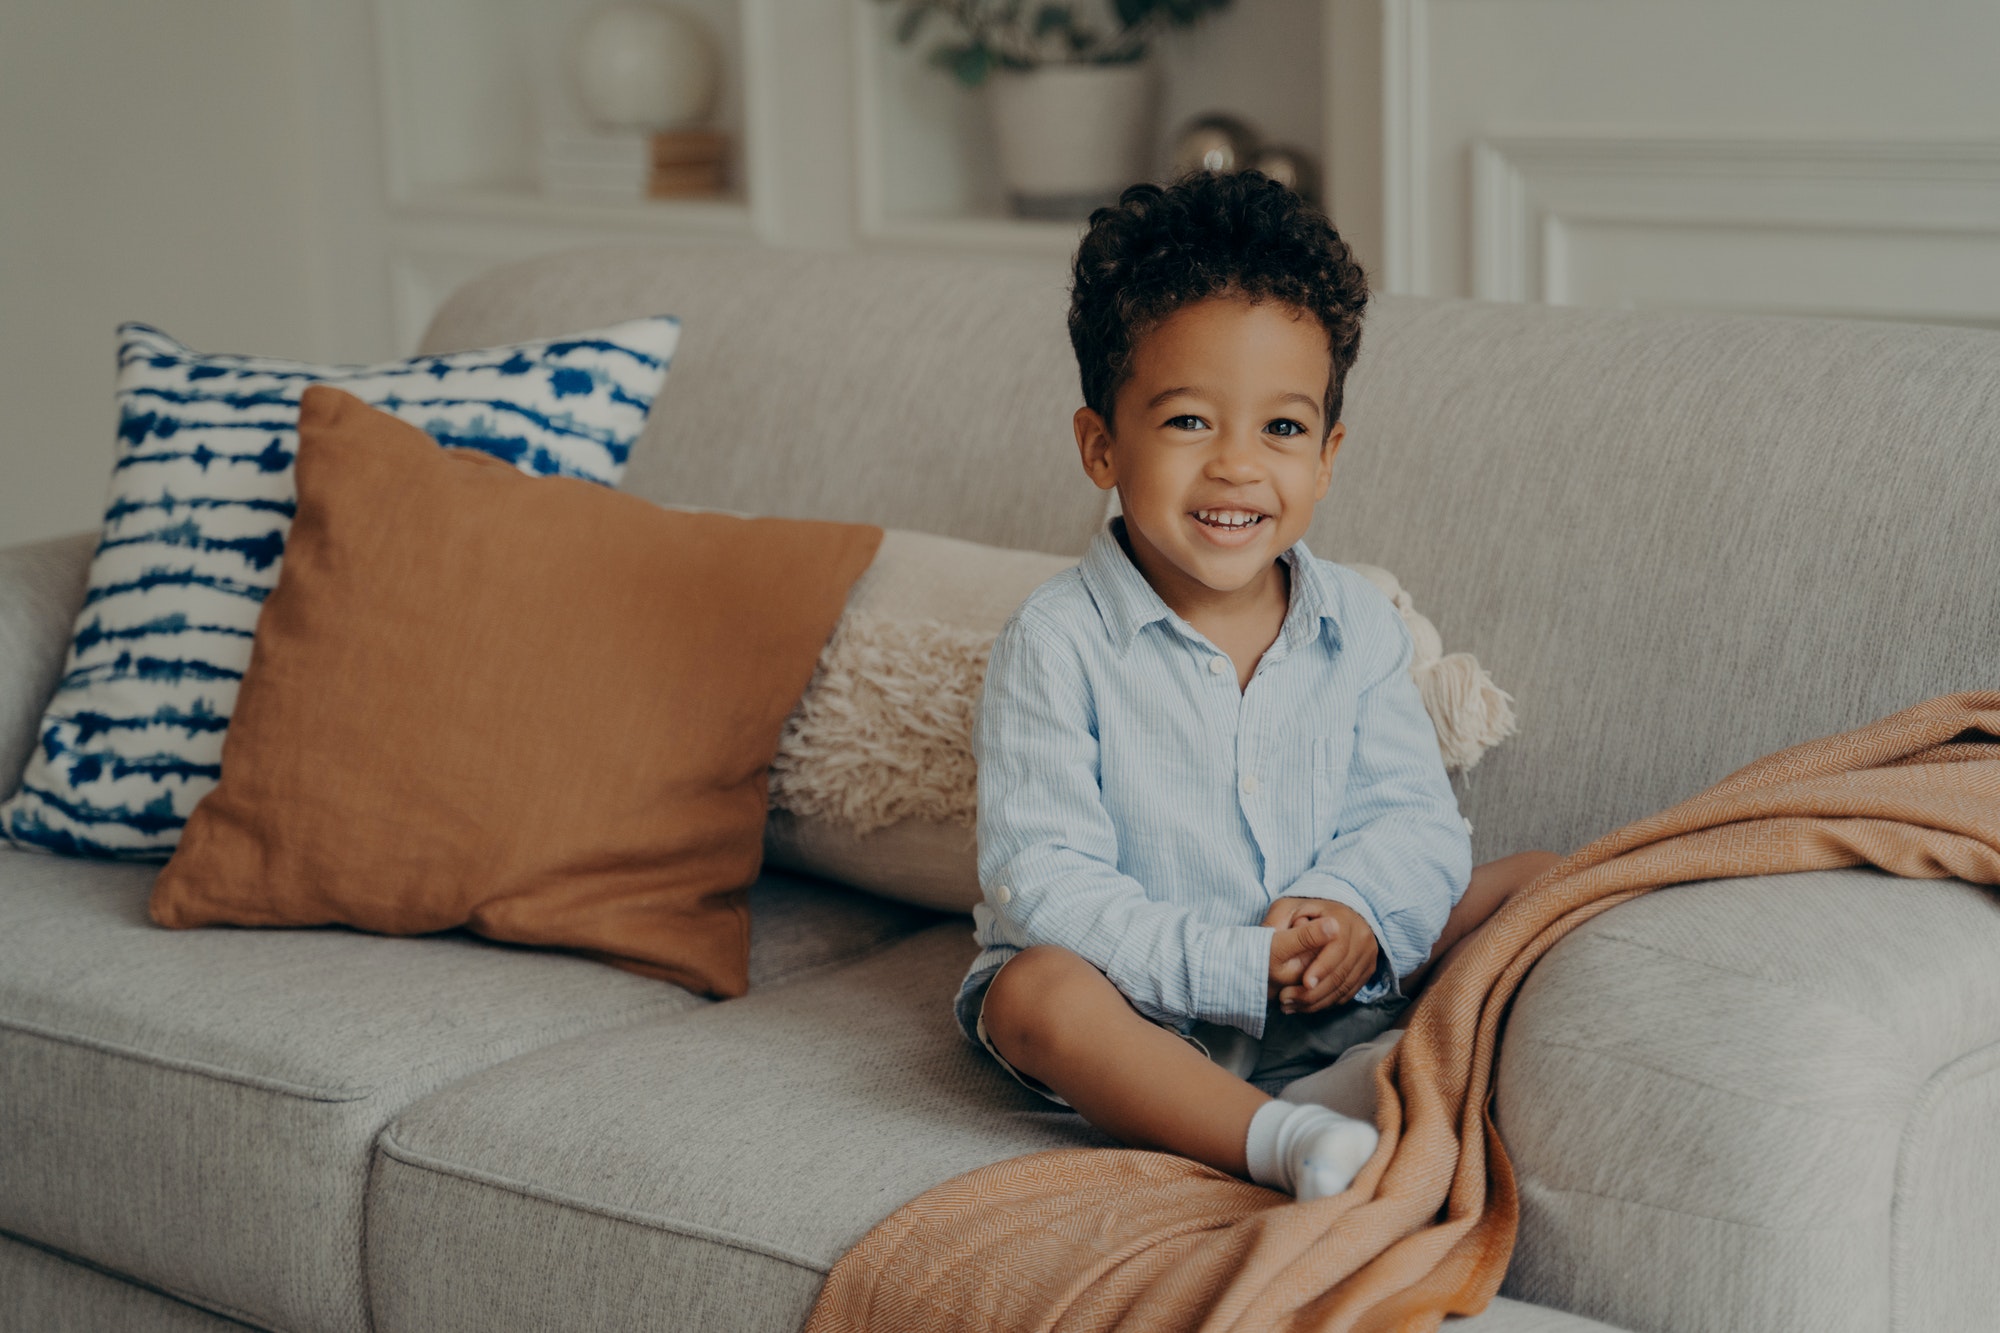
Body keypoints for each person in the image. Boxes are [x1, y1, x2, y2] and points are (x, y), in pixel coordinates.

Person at [958, 171, 1560, 1201]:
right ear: (1101, 444)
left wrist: (1353, 913)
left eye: (1280, 430)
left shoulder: (1355, 625)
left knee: (1539, 880)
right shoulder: (1055, 641)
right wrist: (1232, 963)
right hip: (1146, 1012)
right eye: (1189, 422)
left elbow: (1411, 820)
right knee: (1033, 991)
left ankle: (1386, 1072)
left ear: (1326, 458)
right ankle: (1277, 1140)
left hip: (1335, 985)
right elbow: (1045, 881)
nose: (1238, 467)